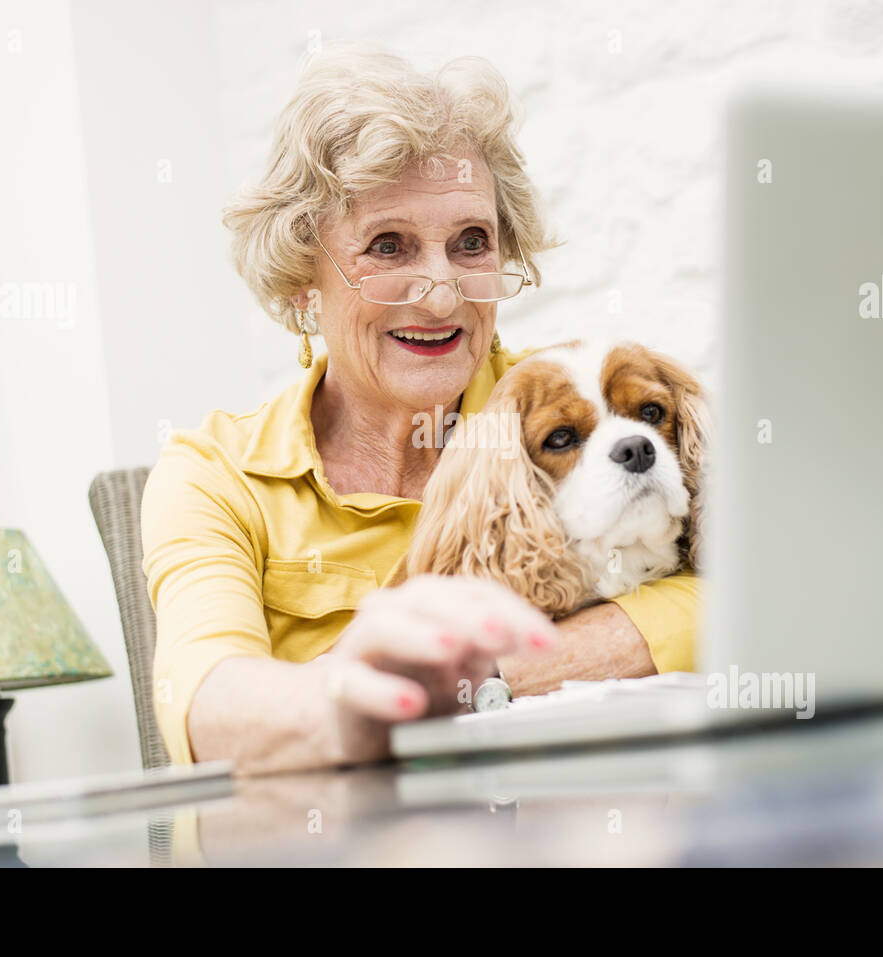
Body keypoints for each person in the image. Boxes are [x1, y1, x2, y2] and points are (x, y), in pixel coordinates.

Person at [140, 48, 703, 774]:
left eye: (471, 242)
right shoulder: (214, 474)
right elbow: (209, 709)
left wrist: (484, 677)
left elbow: (752, 590)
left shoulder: (567, 407)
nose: (440, 294)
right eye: (388, 246)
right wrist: (360, 705)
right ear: (302, 276)